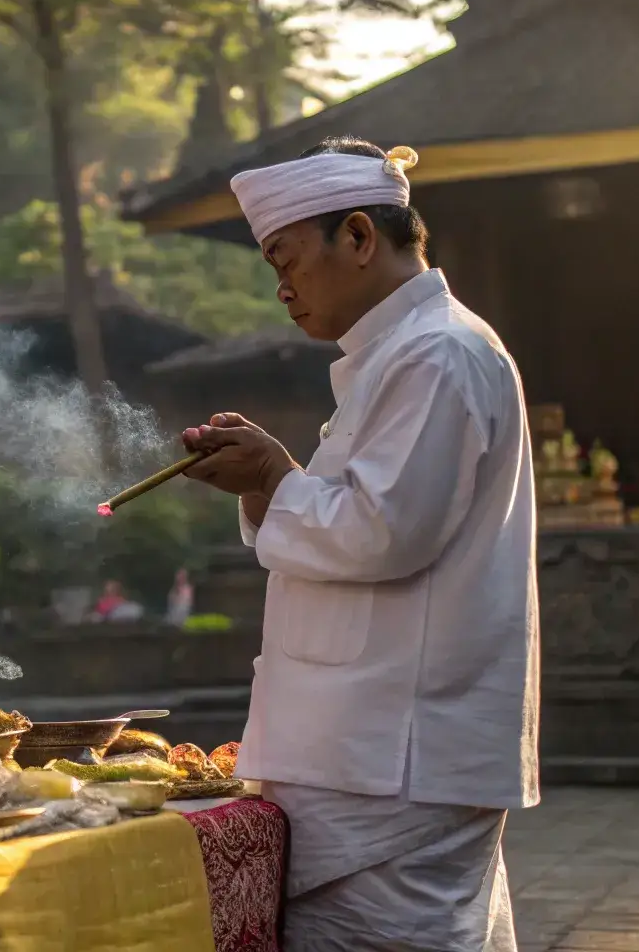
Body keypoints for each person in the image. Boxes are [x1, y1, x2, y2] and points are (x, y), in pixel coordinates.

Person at [178, 136, 539, 951]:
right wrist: (276, 478)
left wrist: (275, 474)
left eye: (286, 258)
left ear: (360, 237)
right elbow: (371, 515)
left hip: (390, 758)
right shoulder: (403, 358)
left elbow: (382, 535)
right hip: (370, 754)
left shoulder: (438, 355)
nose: (281, 289)